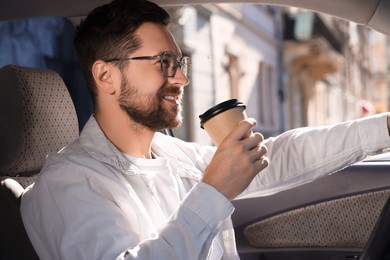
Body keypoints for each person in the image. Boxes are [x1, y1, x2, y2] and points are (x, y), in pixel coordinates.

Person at [20, 0, 390, 259]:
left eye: (180, 63)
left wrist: (385, 128)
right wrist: (214, 191)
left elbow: (277, 159)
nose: (181, 78)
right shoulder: (65, 185)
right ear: (106, 75)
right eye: (164, 63)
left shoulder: (169, 153)